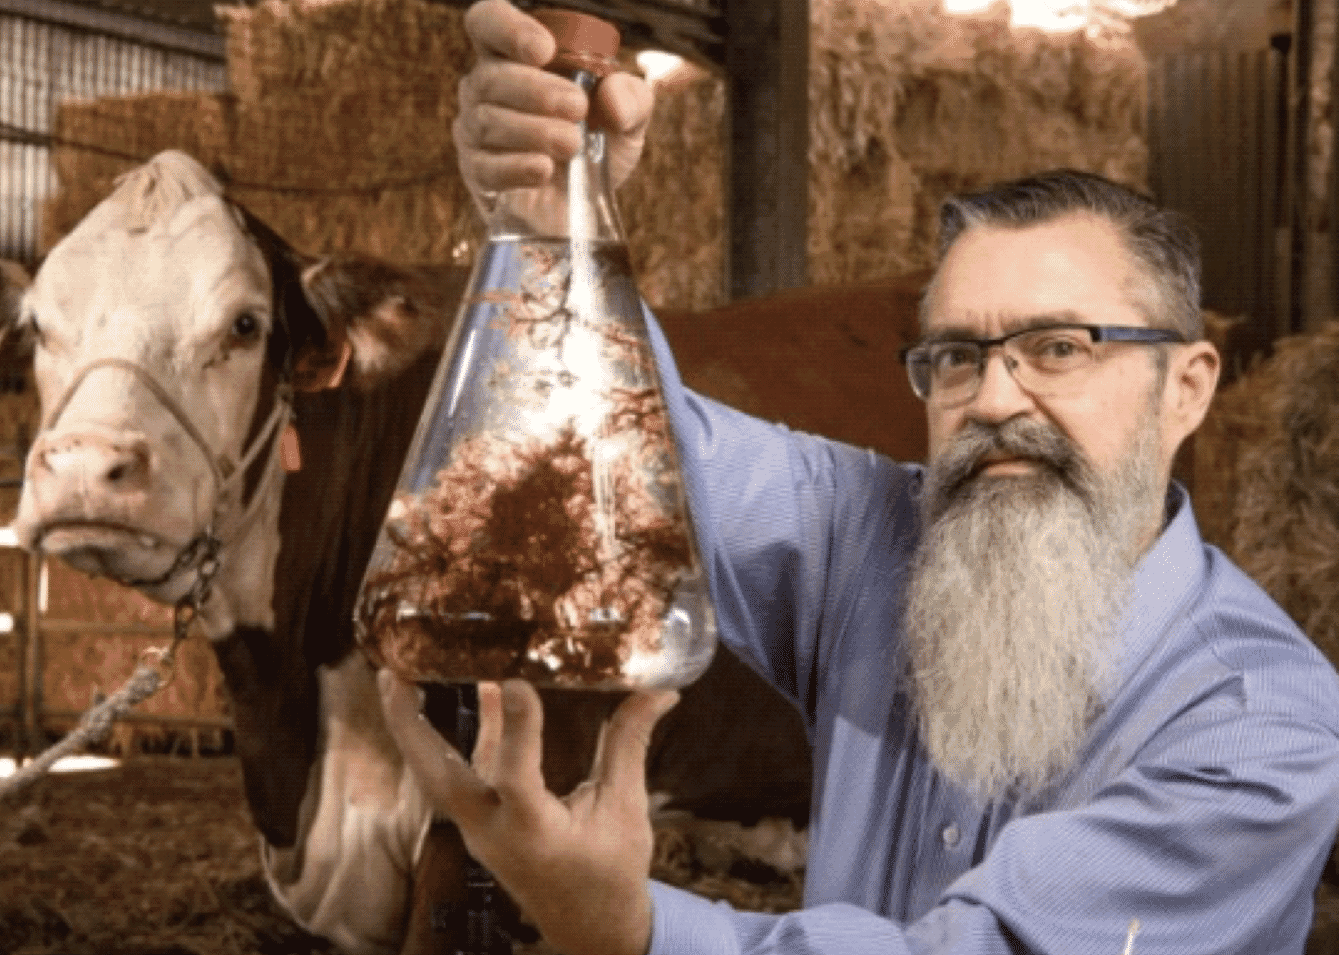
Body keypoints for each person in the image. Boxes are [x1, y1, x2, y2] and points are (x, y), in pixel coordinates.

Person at [378, 2, 1339, 952]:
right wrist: (560, 223)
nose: (994, 399)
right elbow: (623, 449)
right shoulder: (874, 537)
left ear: (1188, 386)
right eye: (956, 355)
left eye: (1057, 347)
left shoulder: (1261, 733)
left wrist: (624, 925)